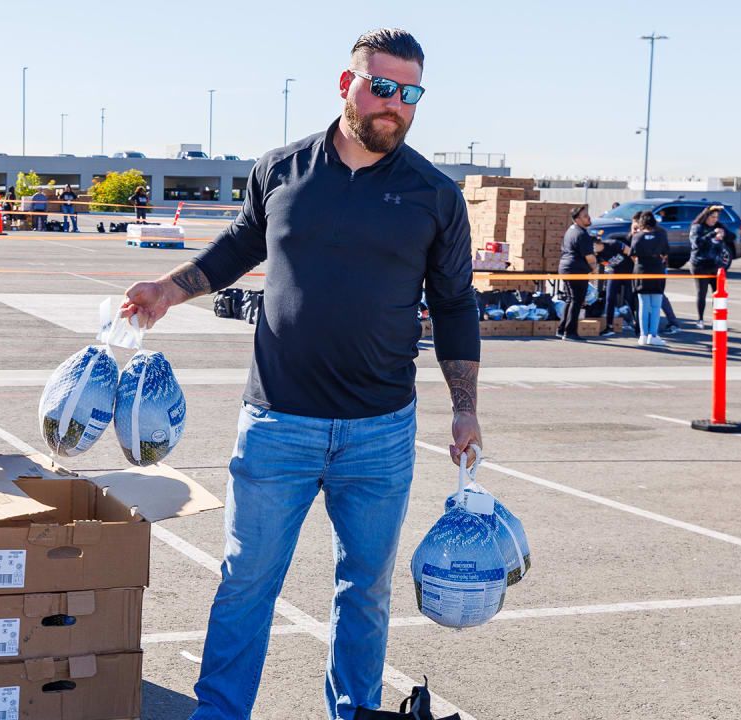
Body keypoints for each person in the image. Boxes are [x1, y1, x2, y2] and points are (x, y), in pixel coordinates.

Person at [120, 28, 482, 720]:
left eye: (411, 94)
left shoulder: (435, 196)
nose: (395, 106)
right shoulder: (281, 171)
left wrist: (464, 409)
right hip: (277, 423)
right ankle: (220, 713)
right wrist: (169, 288)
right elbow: (234, 247)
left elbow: (457, 304)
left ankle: (352, 713)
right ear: (347, 85)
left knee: (365, 589)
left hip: (380, 431)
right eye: (383, 87)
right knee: (247, 581)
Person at [556, 205, 603, 341]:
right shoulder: (582, 234)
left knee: (571, 299)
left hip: (566, 268)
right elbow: (590, 257)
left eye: (587, 215)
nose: (588, 217)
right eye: (584, 216)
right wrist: (594, 270)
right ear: (577, 220)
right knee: (576, 301)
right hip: (576, 270)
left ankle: (562, 329)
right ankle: (570, 333)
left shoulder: (571, 230)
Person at [630, 212, 670, 347]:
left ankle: (642, 335)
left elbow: (632, 255)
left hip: (641, 271)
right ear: (654, 222)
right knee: (656, 305)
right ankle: (653, 335)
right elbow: (665, 255)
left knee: (643, 305)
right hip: (657, 270)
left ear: (641, 223)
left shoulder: (637, 236)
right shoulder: (661, 236)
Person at [688, 205, 731, 328]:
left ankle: (717, 319)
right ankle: (700, 320)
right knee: (702, 292)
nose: (714, 220)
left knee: (717, 293)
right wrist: (712, 234)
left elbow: (732, 237)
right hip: (700, 265)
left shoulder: (719, 226)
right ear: (706, 216)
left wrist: (724, 233)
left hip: (716, 265)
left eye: (716, 217)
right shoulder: (697, 227)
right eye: (712, 217)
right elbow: (697, 244)